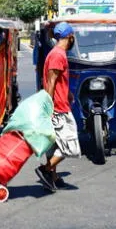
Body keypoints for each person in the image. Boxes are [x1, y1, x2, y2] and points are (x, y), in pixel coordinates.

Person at [35, 22, 80, 193]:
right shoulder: (57, 55)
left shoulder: (58, 54)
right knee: (70, 145)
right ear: (70, 36)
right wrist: (49, 108)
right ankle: (45, 170)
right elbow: (51, 82)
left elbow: (57, 80)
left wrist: (68, 94)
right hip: (58, 108)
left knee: (53, 146)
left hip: (60, 103)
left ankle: (53, 177)